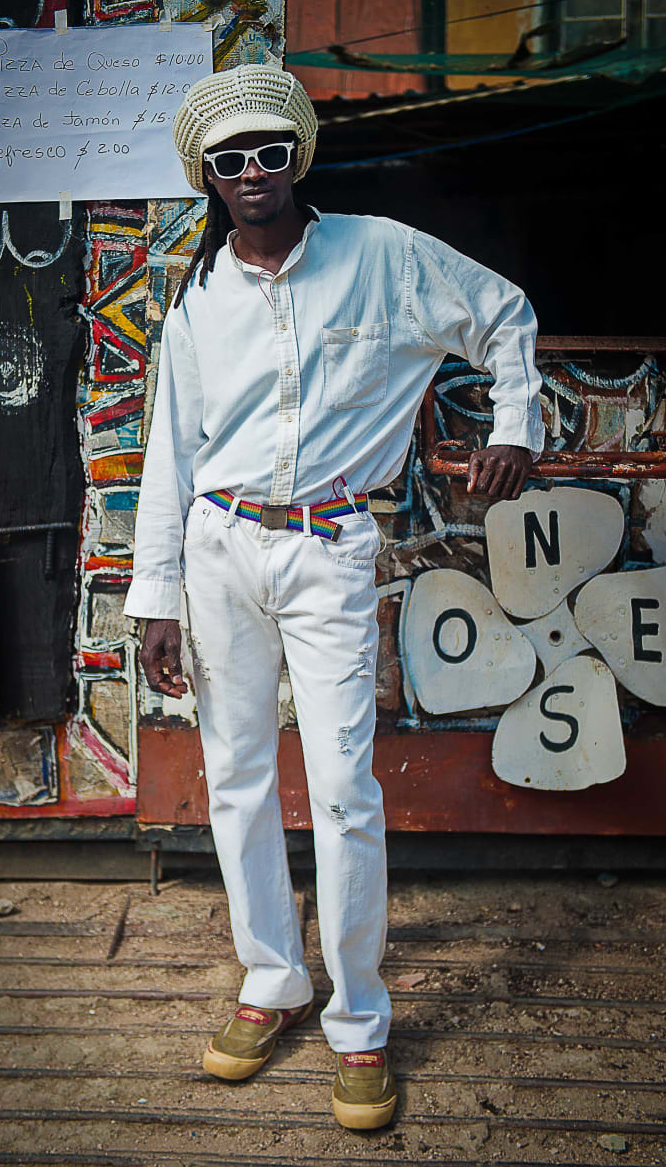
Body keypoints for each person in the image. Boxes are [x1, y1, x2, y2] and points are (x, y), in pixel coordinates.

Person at [124, 63, 544, 1129]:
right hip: (219, 551)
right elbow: (169, 454)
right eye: (231, 158)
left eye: (270, 149)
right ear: (208, 179)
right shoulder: (198, 298)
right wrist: (155, 595)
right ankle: (272, 980)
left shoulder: (382, 255)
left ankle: (359, 1020)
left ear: (295, 157)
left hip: (328, 548)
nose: (253, 169)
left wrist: (510, 430)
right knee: (236, 779)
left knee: (346, 789)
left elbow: (502, 315)